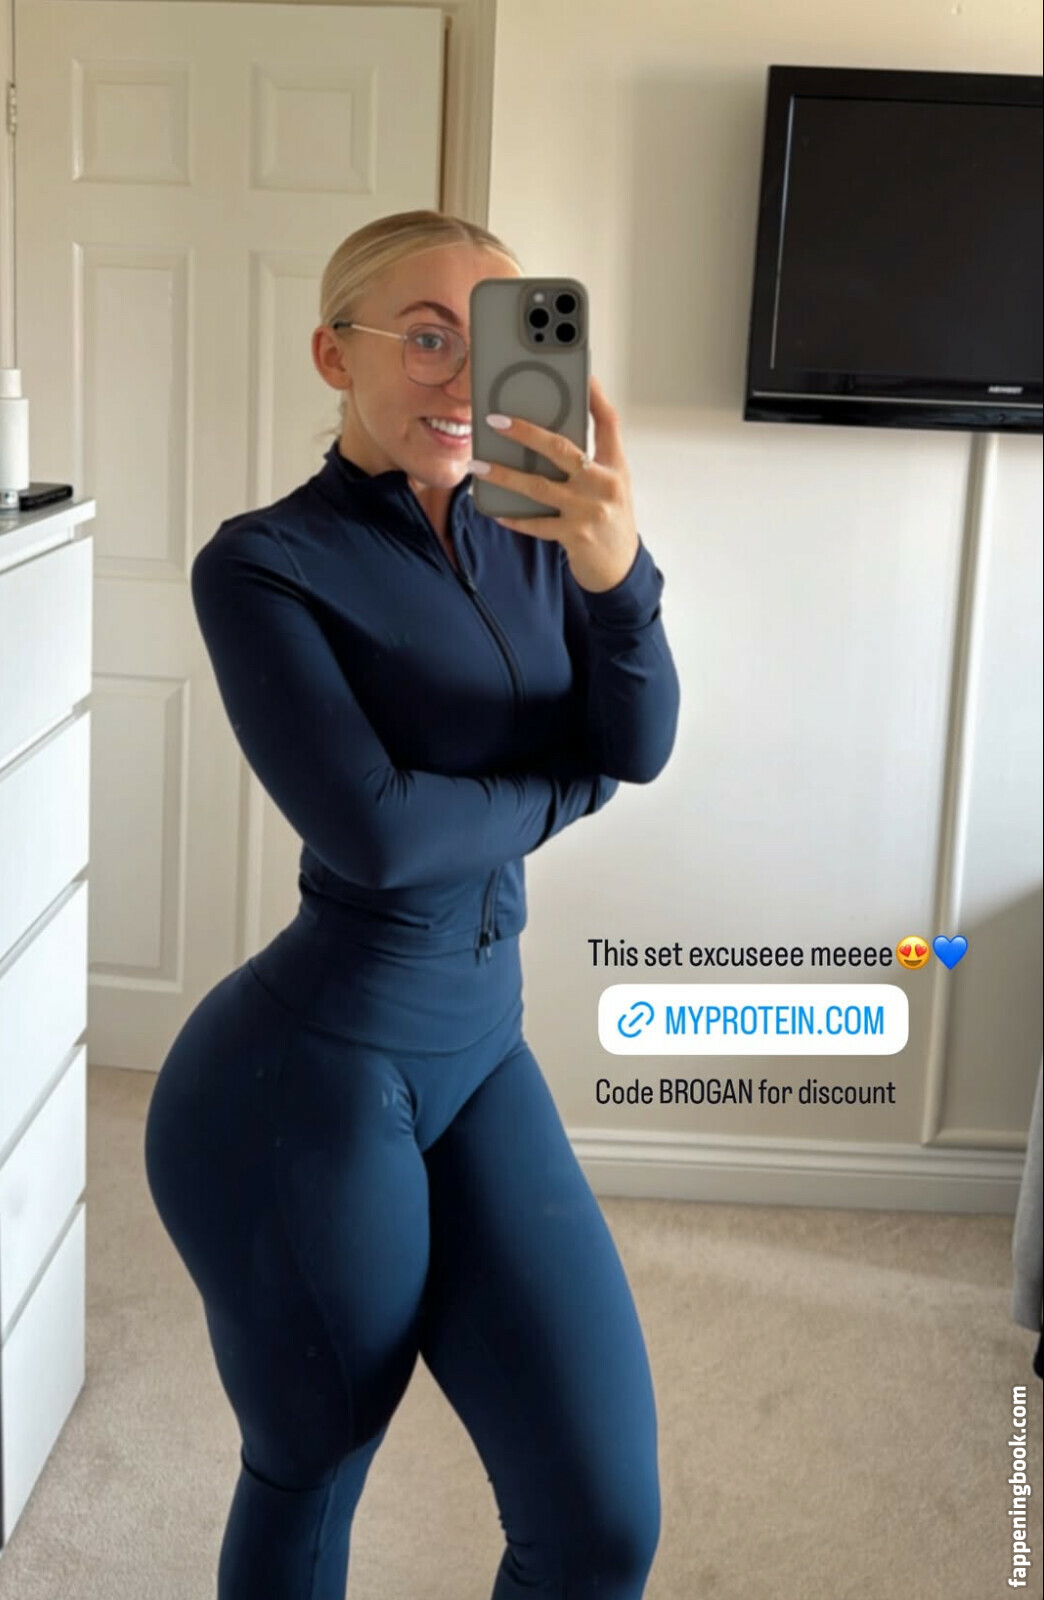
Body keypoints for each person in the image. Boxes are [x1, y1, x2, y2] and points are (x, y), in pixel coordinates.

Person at [144, 208, 680, 1600]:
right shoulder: (263, 563)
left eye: (492, 340)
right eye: (427, 337)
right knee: (315, 1463)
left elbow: (640, 741)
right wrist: (569, 789)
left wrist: (620, 574)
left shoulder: (542, 533)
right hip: (302, 1087)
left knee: (602, 1521)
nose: (463, 376)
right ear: (337, 354)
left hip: (482, 1049)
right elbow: (379, 836)